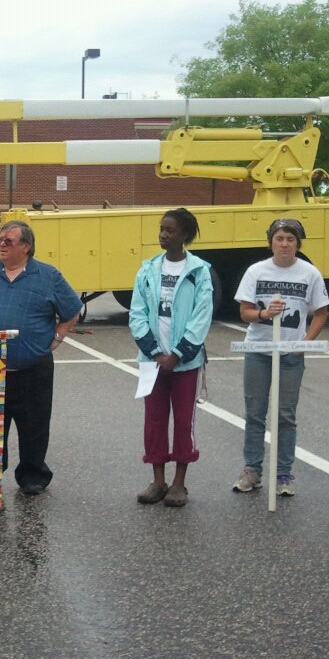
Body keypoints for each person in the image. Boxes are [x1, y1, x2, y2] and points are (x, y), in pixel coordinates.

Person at [0, 221, 82, 495]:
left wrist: (58, 337)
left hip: (32, 369)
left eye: (9, 240)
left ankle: (32, 475)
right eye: (0, 239)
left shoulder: (48, 276)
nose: (1, 244)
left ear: (26, 246)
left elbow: (72, 310)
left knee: (34, 425)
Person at [232, 218, 329, 496]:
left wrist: (306, 342)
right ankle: (252, 469)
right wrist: (264, 314)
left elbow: (321, 312)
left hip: (290, 354)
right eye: (279, 238)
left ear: (298, 243)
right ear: (270, 241)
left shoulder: (309, 273)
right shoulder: (256, 271)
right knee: (255, 413)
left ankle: (284, 474)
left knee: (285, 414)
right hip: (258, 350)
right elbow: (245, 312)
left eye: (290, 239)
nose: (284, 243)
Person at [129, 208, 213, 507]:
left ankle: (179, 483)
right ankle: (158, 480)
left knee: (183, 421)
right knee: (154, 420)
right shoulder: (148, 269)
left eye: (170, 230)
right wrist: (154, 351)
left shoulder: (199, 271)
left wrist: (177, 355)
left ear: (185, 235)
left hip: (185, 363)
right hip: (152, 361)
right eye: (162, 229)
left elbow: (202, 317)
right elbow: (137, 313)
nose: (163, 234)